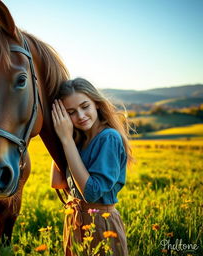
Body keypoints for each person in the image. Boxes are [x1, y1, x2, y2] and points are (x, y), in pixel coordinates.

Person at [51, 78, 132, 256]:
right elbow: (57, 183)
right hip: (74, 221)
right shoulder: (78, 141)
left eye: (84, 106)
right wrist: (62, 136)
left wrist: (66, 140)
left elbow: (92, 192)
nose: (80, 116)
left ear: (96, 103)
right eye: (71, 112)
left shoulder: (108, 137)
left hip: (101, 224)